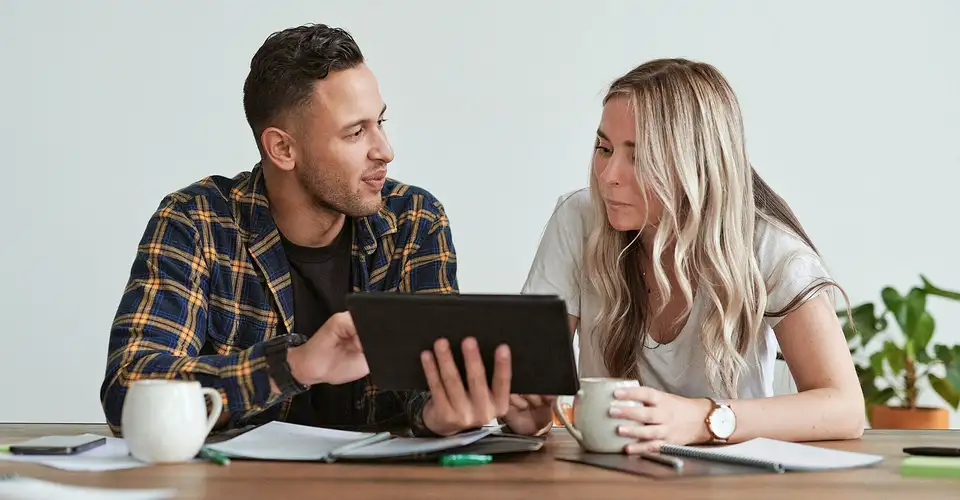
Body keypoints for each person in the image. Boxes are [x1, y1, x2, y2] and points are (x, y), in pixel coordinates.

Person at [100, 23, 553, 438]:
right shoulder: (197, 221)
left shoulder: (414, 220)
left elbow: (423, 383)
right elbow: (130, 390)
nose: (386, 150)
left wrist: (442, 412)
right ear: (282, 148)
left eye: (381, 122)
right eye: (356, 133)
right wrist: (294, 365)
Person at [522, 58, 865, 453]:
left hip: (734, 481)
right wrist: (526, 410)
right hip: (607, 475)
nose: (608, 174)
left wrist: (703, 419)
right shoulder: (577, 219)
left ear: (696, 165)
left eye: (637, 155)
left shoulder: (766, 245)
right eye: (604, 148)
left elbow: (845, 408)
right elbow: (532, 386)